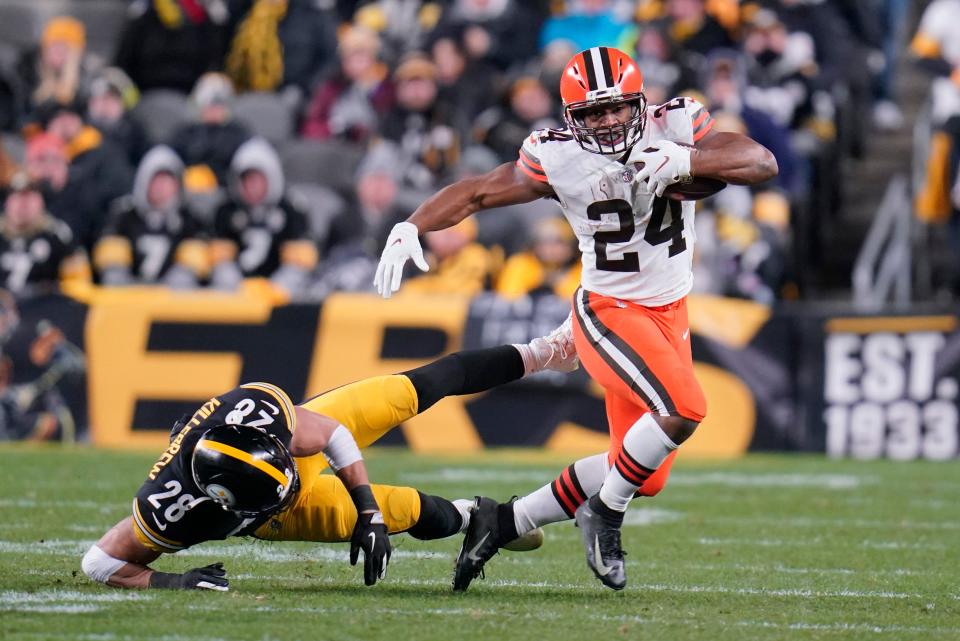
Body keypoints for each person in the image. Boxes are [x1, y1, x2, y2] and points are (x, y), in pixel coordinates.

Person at [374, 46, 777, 590]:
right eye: (591, 113)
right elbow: (476, 193)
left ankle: (506, 520)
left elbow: (761, 162)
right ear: (571, 119)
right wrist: (412, 224)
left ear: (640, 102)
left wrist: (685, 161)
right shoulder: (558, 157)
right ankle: (604, 514)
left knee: (643, 471)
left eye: (614, 108)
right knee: (682, 410)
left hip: (669, 311)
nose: (606, 121)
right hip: (609, 310)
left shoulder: (676, 123)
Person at [80, 326, 577, 591]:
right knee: (406, 510)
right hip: (277, 520)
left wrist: (366, 510)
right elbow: (100, 562)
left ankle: (546, 351)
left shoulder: (258, 413)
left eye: (287, 478)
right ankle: (478, 515)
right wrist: (173, 581)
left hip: (298, 439)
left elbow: (334, 434)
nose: (293, 486)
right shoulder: (171, 508)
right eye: (278, 492)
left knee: (414, 388)